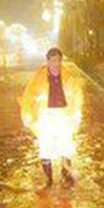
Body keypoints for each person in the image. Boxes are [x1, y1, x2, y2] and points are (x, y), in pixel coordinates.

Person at [19, 48, 83, 187]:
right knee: (46, 148)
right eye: (53, 60)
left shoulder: (68, 77)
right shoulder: (37, 79)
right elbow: (27, 98)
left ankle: (65, 175)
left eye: (59, 60)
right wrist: (28, 117)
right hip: (45, 116)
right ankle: (49, 179)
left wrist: (76, 116)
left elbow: (77, 96)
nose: (56, 63)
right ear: (47, 61)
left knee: (66, 146)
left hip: (64, 115)